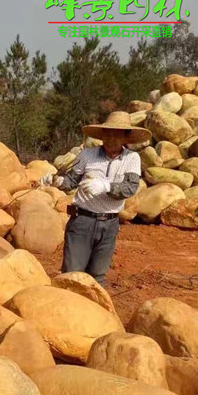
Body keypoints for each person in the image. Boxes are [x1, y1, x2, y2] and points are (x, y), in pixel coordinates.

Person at [40, 113, 151, 285]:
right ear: (102, 135)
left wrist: (105, 186)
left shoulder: (131, 158)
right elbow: (70, 181)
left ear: (125, 137)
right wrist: (56, 181)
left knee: (98, 277)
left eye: (117, 134)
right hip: (82, 220)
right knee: (72, 273)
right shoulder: (87, 155)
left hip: (110, 223)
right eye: (108, 133)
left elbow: (130, 188)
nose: (111, 139)